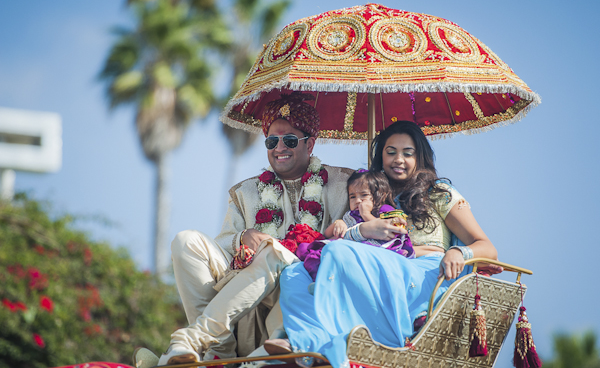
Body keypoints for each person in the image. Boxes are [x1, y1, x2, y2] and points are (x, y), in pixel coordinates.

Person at [133, 92, 375, 368]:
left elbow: (359, 230)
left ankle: (190, 341)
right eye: (272, 141)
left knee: (275, 252)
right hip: (244, 308)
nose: (279, 147)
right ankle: (218, 353)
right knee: (185, 242)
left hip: (301, 301)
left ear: (311, 144)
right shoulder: (246, 192)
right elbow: (223, 244)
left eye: (290, 140)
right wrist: (241, 238)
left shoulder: (344, 183)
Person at [264, 120, 499, 368]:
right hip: (375, 267)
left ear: (420, 157)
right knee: (294, 273)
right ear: (381, 157)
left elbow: (487, 248)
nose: (398, 159)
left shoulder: (439, 193)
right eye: (391, 152)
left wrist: (458, 251)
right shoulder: (369, 197)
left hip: (423, 273)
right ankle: (310, 343)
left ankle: (342, 343)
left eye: (407, 153)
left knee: (338, 251)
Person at [300, 169, 415, 282]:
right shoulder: (351, 214)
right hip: (346, 247)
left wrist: (366, 214)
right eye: (352, 197)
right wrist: (338, 223)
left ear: (381, 195)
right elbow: (327, 234)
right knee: (305, 249)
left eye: (364, 195)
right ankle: (318, 281)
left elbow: (385, 230)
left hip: (372, 251)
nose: (358, 200)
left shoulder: (384, 210)